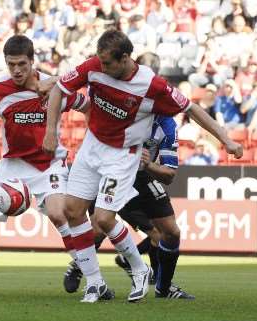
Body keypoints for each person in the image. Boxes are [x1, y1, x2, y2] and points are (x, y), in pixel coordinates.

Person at [43, 29, 243, 303]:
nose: (100, 67)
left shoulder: (153, 86)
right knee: (72, 211)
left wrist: (226, 139)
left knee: (103, 220)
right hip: (92, 146)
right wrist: (51, 131)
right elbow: (59, 88)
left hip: (123, 155)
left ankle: (139, 268)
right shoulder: (94, 66)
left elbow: (192, 110)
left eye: (107, 63)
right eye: (99, 61)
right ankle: (95, 283)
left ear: (125, 58)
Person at [0, 35, 91, 296]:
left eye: (22, 64)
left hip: (49, 165)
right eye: (11, 64)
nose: (16, 70)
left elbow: (87, 106)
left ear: (32, 61)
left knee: (61, 214)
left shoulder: (54, 87)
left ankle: (92, 277)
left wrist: (97, 140)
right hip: (12, 166)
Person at [64, 52, 194, 300]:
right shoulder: (121, 102)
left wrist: (149, 166)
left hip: (141, 177)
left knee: (167, 232)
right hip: (113, 170)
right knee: (99, 226)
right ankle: (83, 266)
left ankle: (160, 285)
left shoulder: (167, 125)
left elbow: (169, 174)